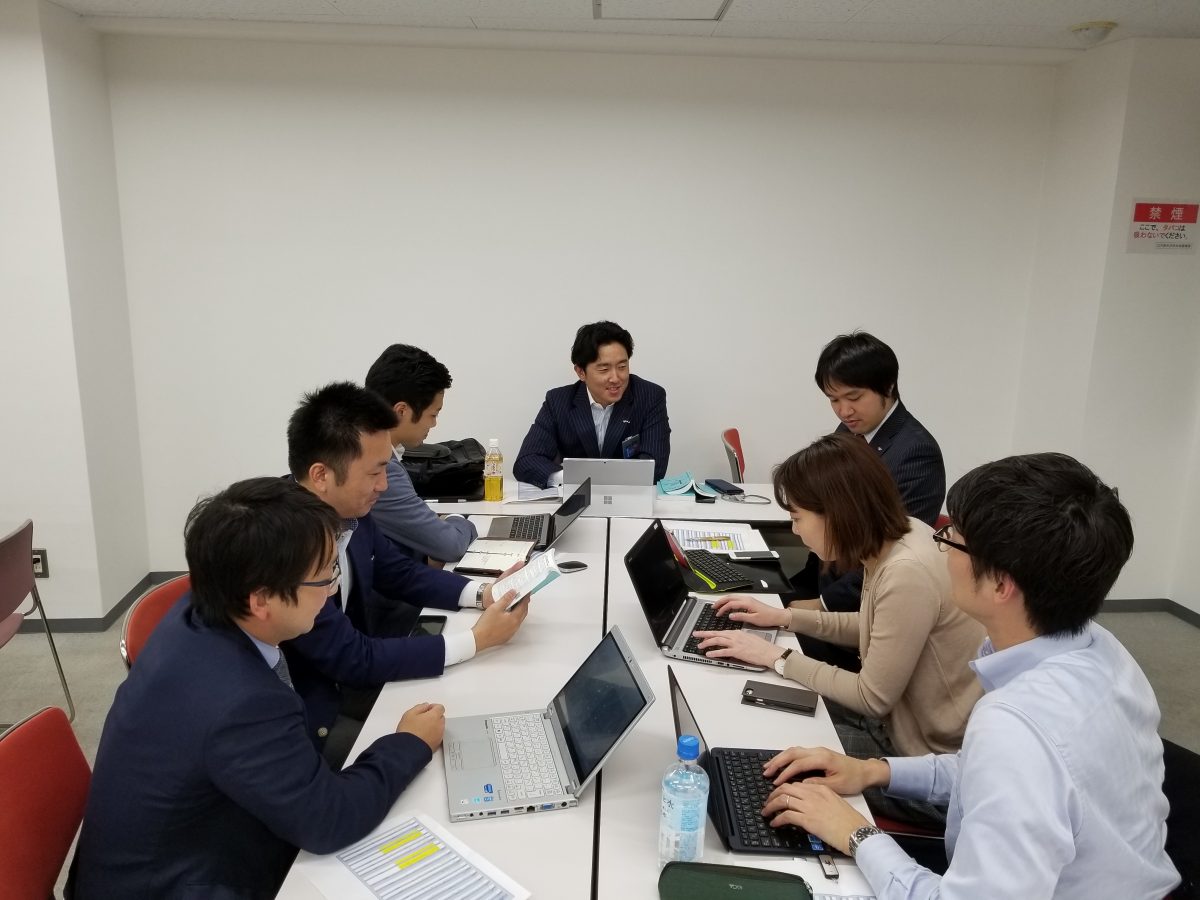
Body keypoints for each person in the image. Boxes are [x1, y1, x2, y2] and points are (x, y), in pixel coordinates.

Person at [757, 453, 1180, 899]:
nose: (940, 546)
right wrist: (874, 771)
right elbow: (980, 765)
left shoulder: (1015, 725)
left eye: (952, 539)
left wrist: (857, 834)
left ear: (1000, 585)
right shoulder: (1104, 651)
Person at [67, 478, 447, 899]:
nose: (333, 588)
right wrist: (409, 743)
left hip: (177, 846)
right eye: (324, 576)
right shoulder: (243, 701)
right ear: (261, 600)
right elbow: (328, 821)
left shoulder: (198, 610)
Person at [695, 433, 983, 825]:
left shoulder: (905, 571)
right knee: (757, 704)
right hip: (899, 727)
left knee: (762, 751)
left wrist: (776, 656)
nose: (795, 530)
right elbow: (874, 628)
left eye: (797, 518)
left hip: (917, 760)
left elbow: (871, 698)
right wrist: (785, 618)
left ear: (835, 512)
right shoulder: (905, 534)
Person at [284, 381, 529, 751]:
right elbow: (353, 658)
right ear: (321, 476)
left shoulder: (348, 510)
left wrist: (483, 593)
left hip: (354, 676)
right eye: (374, 473)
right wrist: (477, 639)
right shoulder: (285, 542)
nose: (384, 486)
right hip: (316, 714)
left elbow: (397, 571)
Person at [793, 331, 947, 670]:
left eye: (854, 397)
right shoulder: (851, 430)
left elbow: (891, 552)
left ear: (887, 387)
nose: (844, 410)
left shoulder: (916, 452)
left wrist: (820, 604)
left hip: (859, 614)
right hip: (826, 583)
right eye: (833, 399)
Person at [513, 321, 670, 488]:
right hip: (575, 499)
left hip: (628, 498)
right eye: (604, 369)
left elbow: (654, 467)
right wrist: (570, 479)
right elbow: (527, 460)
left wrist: (596, 480)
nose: (616, 378)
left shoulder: (650, 397)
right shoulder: (558, 401)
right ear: (581, 372)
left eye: (622, 367)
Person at [365, 343, 477, 563]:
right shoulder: (381, 470)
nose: (434, 424)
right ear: (401, 411)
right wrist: (458, 519)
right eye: (433, 414)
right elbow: (450, 545)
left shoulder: (369, 450)